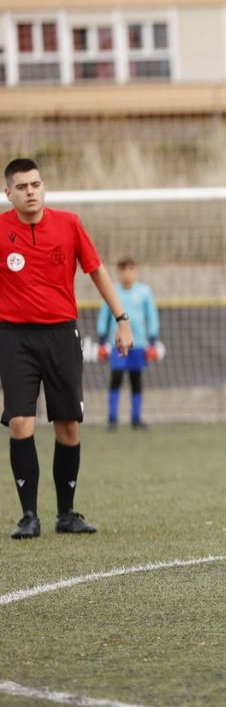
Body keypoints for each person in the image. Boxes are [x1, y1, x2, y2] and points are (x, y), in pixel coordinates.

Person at [1, 158, 133, 540]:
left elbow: (96, 270)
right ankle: (28, 516)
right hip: (13, 336)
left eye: (36, 184)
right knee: (21, 422)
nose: (31, 192)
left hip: (61, 334)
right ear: (9, 193)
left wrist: (122, 319)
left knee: (68, 427)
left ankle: (65, 514)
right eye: (22, 187)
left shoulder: (69, 224)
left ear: (43, 187)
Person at [97, 256, 161, 430]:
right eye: (123, 270)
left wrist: (152, 341)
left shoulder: (144, 292)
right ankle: (112, 419)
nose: (127, 274)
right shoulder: (112, 291)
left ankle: (136, 418)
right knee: (116, 378)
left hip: (138, 344)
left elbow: (151, 316)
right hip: (116, 344)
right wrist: (102, 341)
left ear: (136, 271)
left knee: (136, 380)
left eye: (131, 270)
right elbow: (104, 316)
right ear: (118, 272)